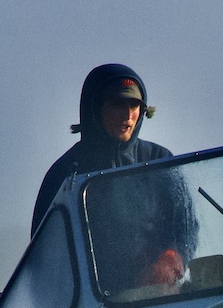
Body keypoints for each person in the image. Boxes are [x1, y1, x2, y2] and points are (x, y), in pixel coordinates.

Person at [32, 63, 172, 234]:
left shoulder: (160, 160)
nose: (128, 114)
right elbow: (47, 248)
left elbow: (183, 225)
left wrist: (172, 254)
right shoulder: (65, 173)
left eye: (134, 105)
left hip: (153, 262)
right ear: (96, 109)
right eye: (118, 104)